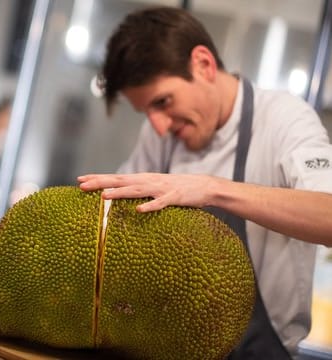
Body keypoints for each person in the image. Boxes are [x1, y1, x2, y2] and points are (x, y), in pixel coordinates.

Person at [77, 6, 332, 359]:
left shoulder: (284, 119)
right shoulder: (160, 135)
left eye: (163, 102)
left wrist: (213, 189)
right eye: (147, 113)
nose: (159, 127)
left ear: (203, 65)